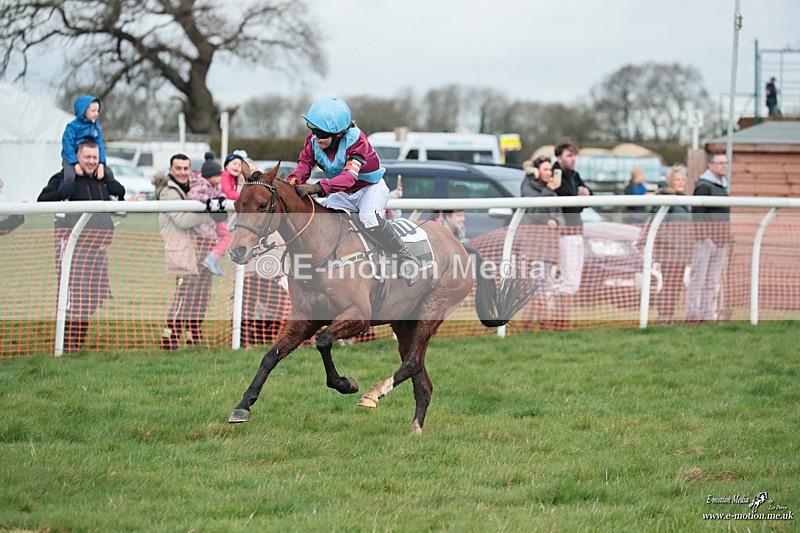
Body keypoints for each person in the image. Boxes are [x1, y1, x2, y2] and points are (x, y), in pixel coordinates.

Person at [285, 97, 419, 284]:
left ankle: (405, 257)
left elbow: (349, 178)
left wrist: (316, 187)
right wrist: (291, 182)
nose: (315, 137)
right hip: (343, 193)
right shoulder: (314, 141)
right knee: (323, 218)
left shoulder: (357, 142)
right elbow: (304, 164)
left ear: (339, 134)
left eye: (321, 133)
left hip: (369, 189)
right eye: (313, 130)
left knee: (368, 218)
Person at [37, 141, 126, 352]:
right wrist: (65, 188)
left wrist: (115, 187)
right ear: (77, 157)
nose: (91, 162)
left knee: (92, 299)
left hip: (99, 247)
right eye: (87, 157)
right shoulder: (63, 177)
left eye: (95, 158)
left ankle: (78, 344)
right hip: (74, 246)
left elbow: (118, 197)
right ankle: (67, 346)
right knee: (73, 300)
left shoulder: (102, 180)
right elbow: (42, 201)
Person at [154, 154, 227, 350]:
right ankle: (170, 338)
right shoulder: (169, 192)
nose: (183, 172)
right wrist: (210, 215)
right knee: (184, 296)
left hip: (199, 249)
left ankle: (193, 335)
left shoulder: (191, 188)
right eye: (178, 168)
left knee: (201, 295)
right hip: (181, 252)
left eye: (186, 168)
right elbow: (183, 220)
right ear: (170, 170)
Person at [519, 155, 565, 330]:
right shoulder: (528, 186)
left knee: (541, 285)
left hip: (549, 244)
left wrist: (556, 221)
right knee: (539, 285)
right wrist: (548, 220)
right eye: (545, 169)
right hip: (534, 243)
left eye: (550, 170)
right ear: (536, 170)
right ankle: (540, 325)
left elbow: (560, 215)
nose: (549, 173)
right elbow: (533, 210)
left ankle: (531, 325)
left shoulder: (551, 188)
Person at [551, 138, 592, 330]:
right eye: (569, 155)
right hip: (564, 234)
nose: (573, 159)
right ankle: (560, 322)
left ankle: (563, 321)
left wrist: (584, 196)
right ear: (559, 158)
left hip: (577, 231)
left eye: (574, 155)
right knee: (567, 280)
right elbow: (567, 200)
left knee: (574, 280)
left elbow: (586, 198)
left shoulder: (574, 175)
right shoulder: (555, 174)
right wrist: (580, 197)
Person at [686, 152, 731, 324]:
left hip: (720, 241)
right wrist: (703, 237)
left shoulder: (723, 186)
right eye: (720, 163)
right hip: (706, 241)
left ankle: (707, 316)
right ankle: (692, 315)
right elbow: (697, 214)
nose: (723, 166)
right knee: (698, 279)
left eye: (725, 163)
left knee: (712, 281)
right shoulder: (704, 186)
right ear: (710, 166)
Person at [651, 165, 692, 326]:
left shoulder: (684, 201)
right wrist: (671, 241)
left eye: (683, 179)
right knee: (669, 285)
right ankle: (664, 317)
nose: (681, 182)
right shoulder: (666, 200)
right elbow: (657, 225)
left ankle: (670, 316)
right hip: (669, 252)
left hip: (681, 252)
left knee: (676, 285)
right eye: (677, 180)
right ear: (671, 182)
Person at [187, 152, 230, 276]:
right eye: (217, 176)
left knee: (224, 236)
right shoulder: (202, 186)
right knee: (211, 238)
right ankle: (209, 261)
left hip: (212, 219)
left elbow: (219, 193)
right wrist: (207, 199)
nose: (220, 179)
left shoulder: (216, 185)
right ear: (210, 176)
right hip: (202, 221)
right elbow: (191, 195)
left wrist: (221, 198)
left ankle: (212, 261)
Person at [61, 95, 114, 187]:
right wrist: (75, 164)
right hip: (71, 158)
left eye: (97, 111)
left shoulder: (96, 127)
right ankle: (66, 195)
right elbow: (68, 146)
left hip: (89, 158)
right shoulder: (72, 127)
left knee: (108, 173)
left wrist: (101, 163)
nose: (96, 113)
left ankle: (116, 194)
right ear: (83, 111)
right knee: (70, 175)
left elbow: (100, 145)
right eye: (93, 111)